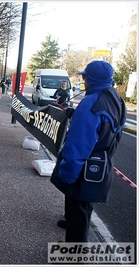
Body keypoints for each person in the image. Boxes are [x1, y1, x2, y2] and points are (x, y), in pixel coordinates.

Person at [50, 60, 126, 242]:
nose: (83, 80)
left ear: (90, 78)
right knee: (83, 209)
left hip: (82, 170)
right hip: (100, 166)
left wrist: (67, 176)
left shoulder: (91, 103)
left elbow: (78, 145)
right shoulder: (115, 98)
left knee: (77, 215)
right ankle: (72, 243)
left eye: (85, 77)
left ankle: (73, 257)